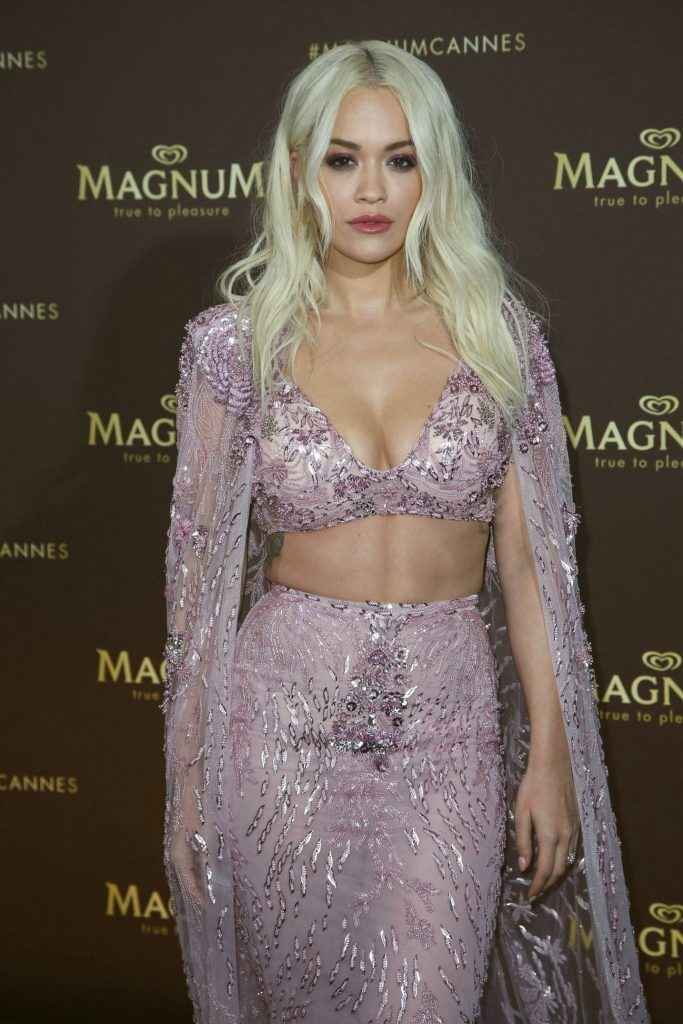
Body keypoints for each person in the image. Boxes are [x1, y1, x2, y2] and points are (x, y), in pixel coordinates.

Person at [161, 40, 649, 1024]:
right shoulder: (233, 346)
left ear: (436, 172)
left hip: (445, 727)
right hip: (280, 727)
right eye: (342, 159)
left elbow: (535, 572)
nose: (371, 190)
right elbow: (195, 584)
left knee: (427, 998)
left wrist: (547, 759)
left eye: (400, 158)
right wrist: (187, 783)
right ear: (297, 172)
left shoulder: (498, 337)